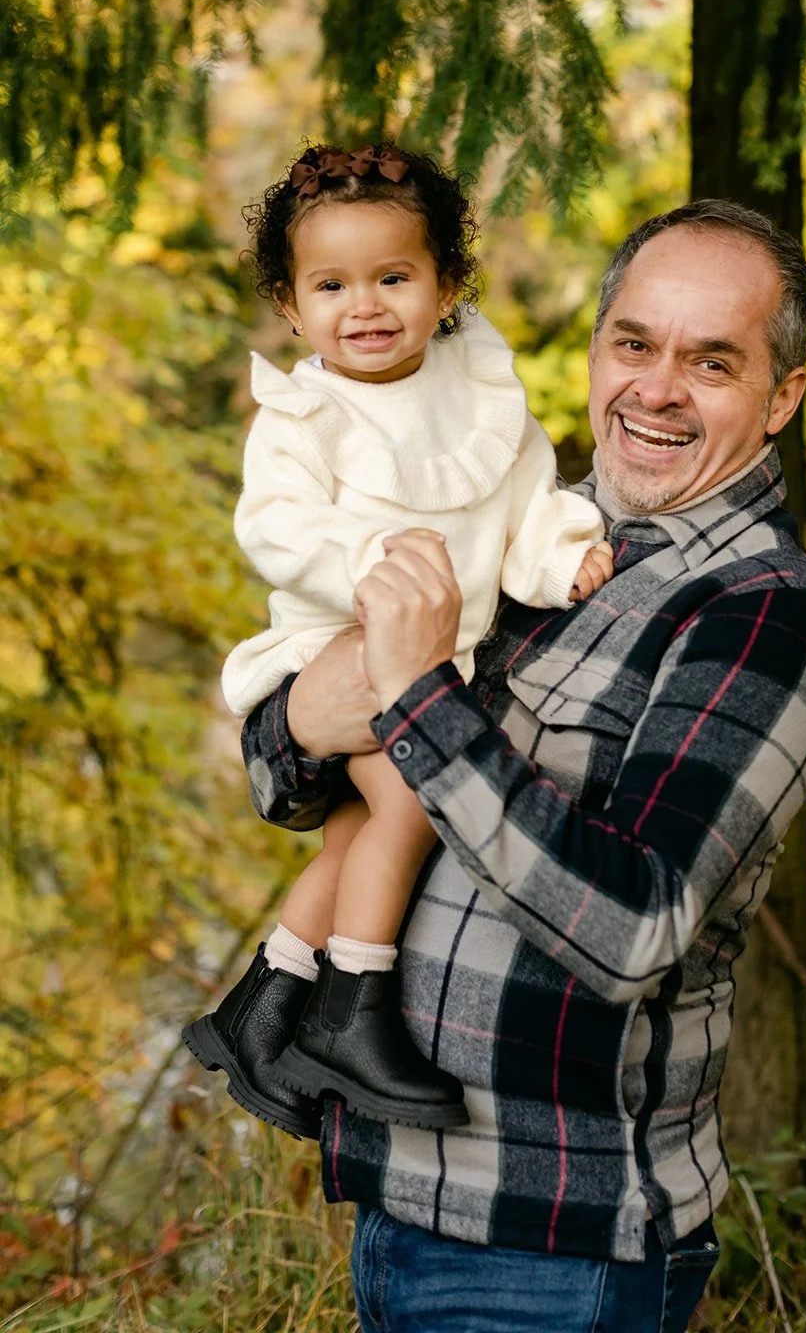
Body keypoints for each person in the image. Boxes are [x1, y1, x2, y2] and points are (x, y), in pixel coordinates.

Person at [234, 199, 806, 1333]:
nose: (655, 390)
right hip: (393, 1207)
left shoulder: (761, 615)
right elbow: (295, 786)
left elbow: (636, 927)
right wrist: (301, 726)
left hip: (554, 1253)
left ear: (781, 397)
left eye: (711, 362)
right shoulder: (527, 530)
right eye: (634, 343)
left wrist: (417, 693)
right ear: (597, 350)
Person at [184, 143, 611, 1139]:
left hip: (432, 658)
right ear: (291, 306)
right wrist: (375, 561)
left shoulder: (478, 389)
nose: (363, 306)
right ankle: (353, 1010)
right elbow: (277, 531)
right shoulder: (304, 413)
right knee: (412, 804)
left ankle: (261, 1010)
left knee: (352, 836)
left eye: (392, 277)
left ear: (445, 285)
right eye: (330, 285)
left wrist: (556, 559)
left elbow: (523, 498)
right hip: (339, 648)